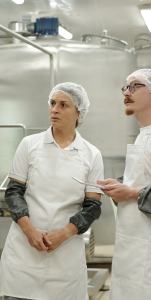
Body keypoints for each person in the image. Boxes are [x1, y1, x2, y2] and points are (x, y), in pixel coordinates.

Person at [0, 82, 104, 300]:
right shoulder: (29, 144)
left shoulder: (91, 154)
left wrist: (63, 234)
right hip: (24, 247)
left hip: (65, 250)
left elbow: (92, 206)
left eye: (64, 105)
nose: (55, 109)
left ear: (79, 113)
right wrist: (30, 231)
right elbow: (14, 192)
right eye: (53, 103)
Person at [98, 69, 151, 300]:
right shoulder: (142, 135)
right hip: (132, 244)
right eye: (125, 88)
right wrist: (121, 185)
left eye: (134, 86)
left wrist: (130, 192)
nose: (126, 93)